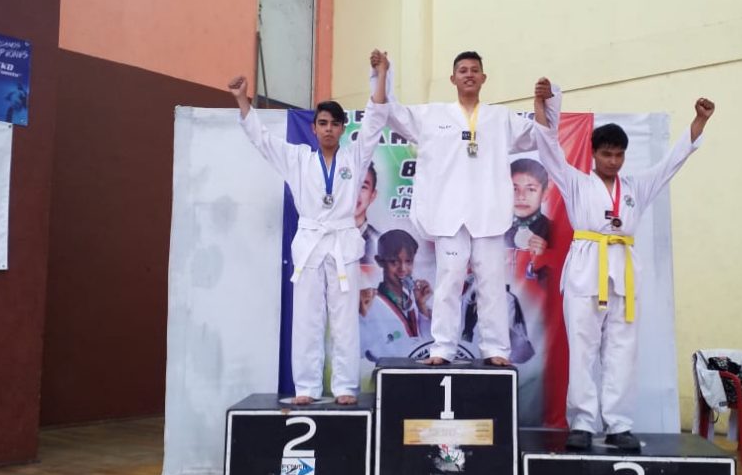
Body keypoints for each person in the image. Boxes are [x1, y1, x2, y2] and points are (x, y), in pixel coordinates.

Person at [534, 78, 715, 450]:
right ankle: (582, 423)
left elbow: (672, 163)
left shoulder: (636, 187)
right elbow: (549, 149)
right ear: (593, 154)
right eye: (607, 154)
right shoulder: (575, 182)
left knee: (621, 352)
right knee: (582, 352)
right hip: (586, 272)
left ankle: (618, 424)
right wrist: (542, 105)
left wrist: (699, 122)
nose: (613, 161)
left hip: (624, 276)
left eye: (619, 155)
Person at [368, 49, 560, 366]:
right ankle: (442, 348)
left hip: (488, 213)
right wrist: (382, 73)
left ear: (483, 77)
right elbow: (392, 112)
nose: (469, 74)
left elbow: (540, 136)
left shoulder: (500, 118)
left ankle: (496, 349)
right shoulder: (432, 116)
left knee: (492, 284)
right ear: (453, 78)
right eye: (462, 70)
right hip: (449, 214)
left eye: (474, 70)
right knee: (449, 282)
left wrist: (542, 104)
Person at [229, 65, 389, 405]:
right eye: (323, 123)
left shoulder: (355, 157)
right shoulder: (298, 159)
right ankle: (306, 387)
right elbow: (262, 140)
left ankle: (345, 387)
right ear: (314, 128)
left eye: (334, 123)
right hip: (311, 244)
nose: (328, 129)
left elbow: (374, 124)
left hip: (342, 245)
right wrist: (243, 100)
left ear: (343, 128)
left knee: (345, 321)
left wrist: (380, 76)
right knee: (306, 320)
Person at [360, 228, 433, 355]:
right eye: (394, 262)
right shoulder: (369, 303)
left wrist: (422, 307)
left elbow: (428, 343)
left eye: (408, 261)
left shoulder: (414, 302)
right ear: (380, 261)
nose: (403, 269)